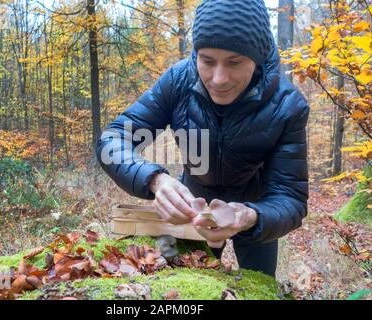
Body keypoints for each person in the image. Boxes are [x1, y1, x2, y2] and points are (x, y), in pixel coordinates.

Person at [96, 0, 309, 278]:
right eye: (207, 61)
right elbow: (111, 141)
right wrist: (155, 180)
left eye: (234, 62)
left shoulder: (287, 105)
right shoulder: (178, 82)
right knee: (191, 285)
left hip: (256, 209)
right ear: (196, 53)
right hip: (191, 208)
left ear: (257, 58)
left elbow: (291, 199)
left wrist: (249, 217)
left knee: (260, 287)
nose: (219, 78)